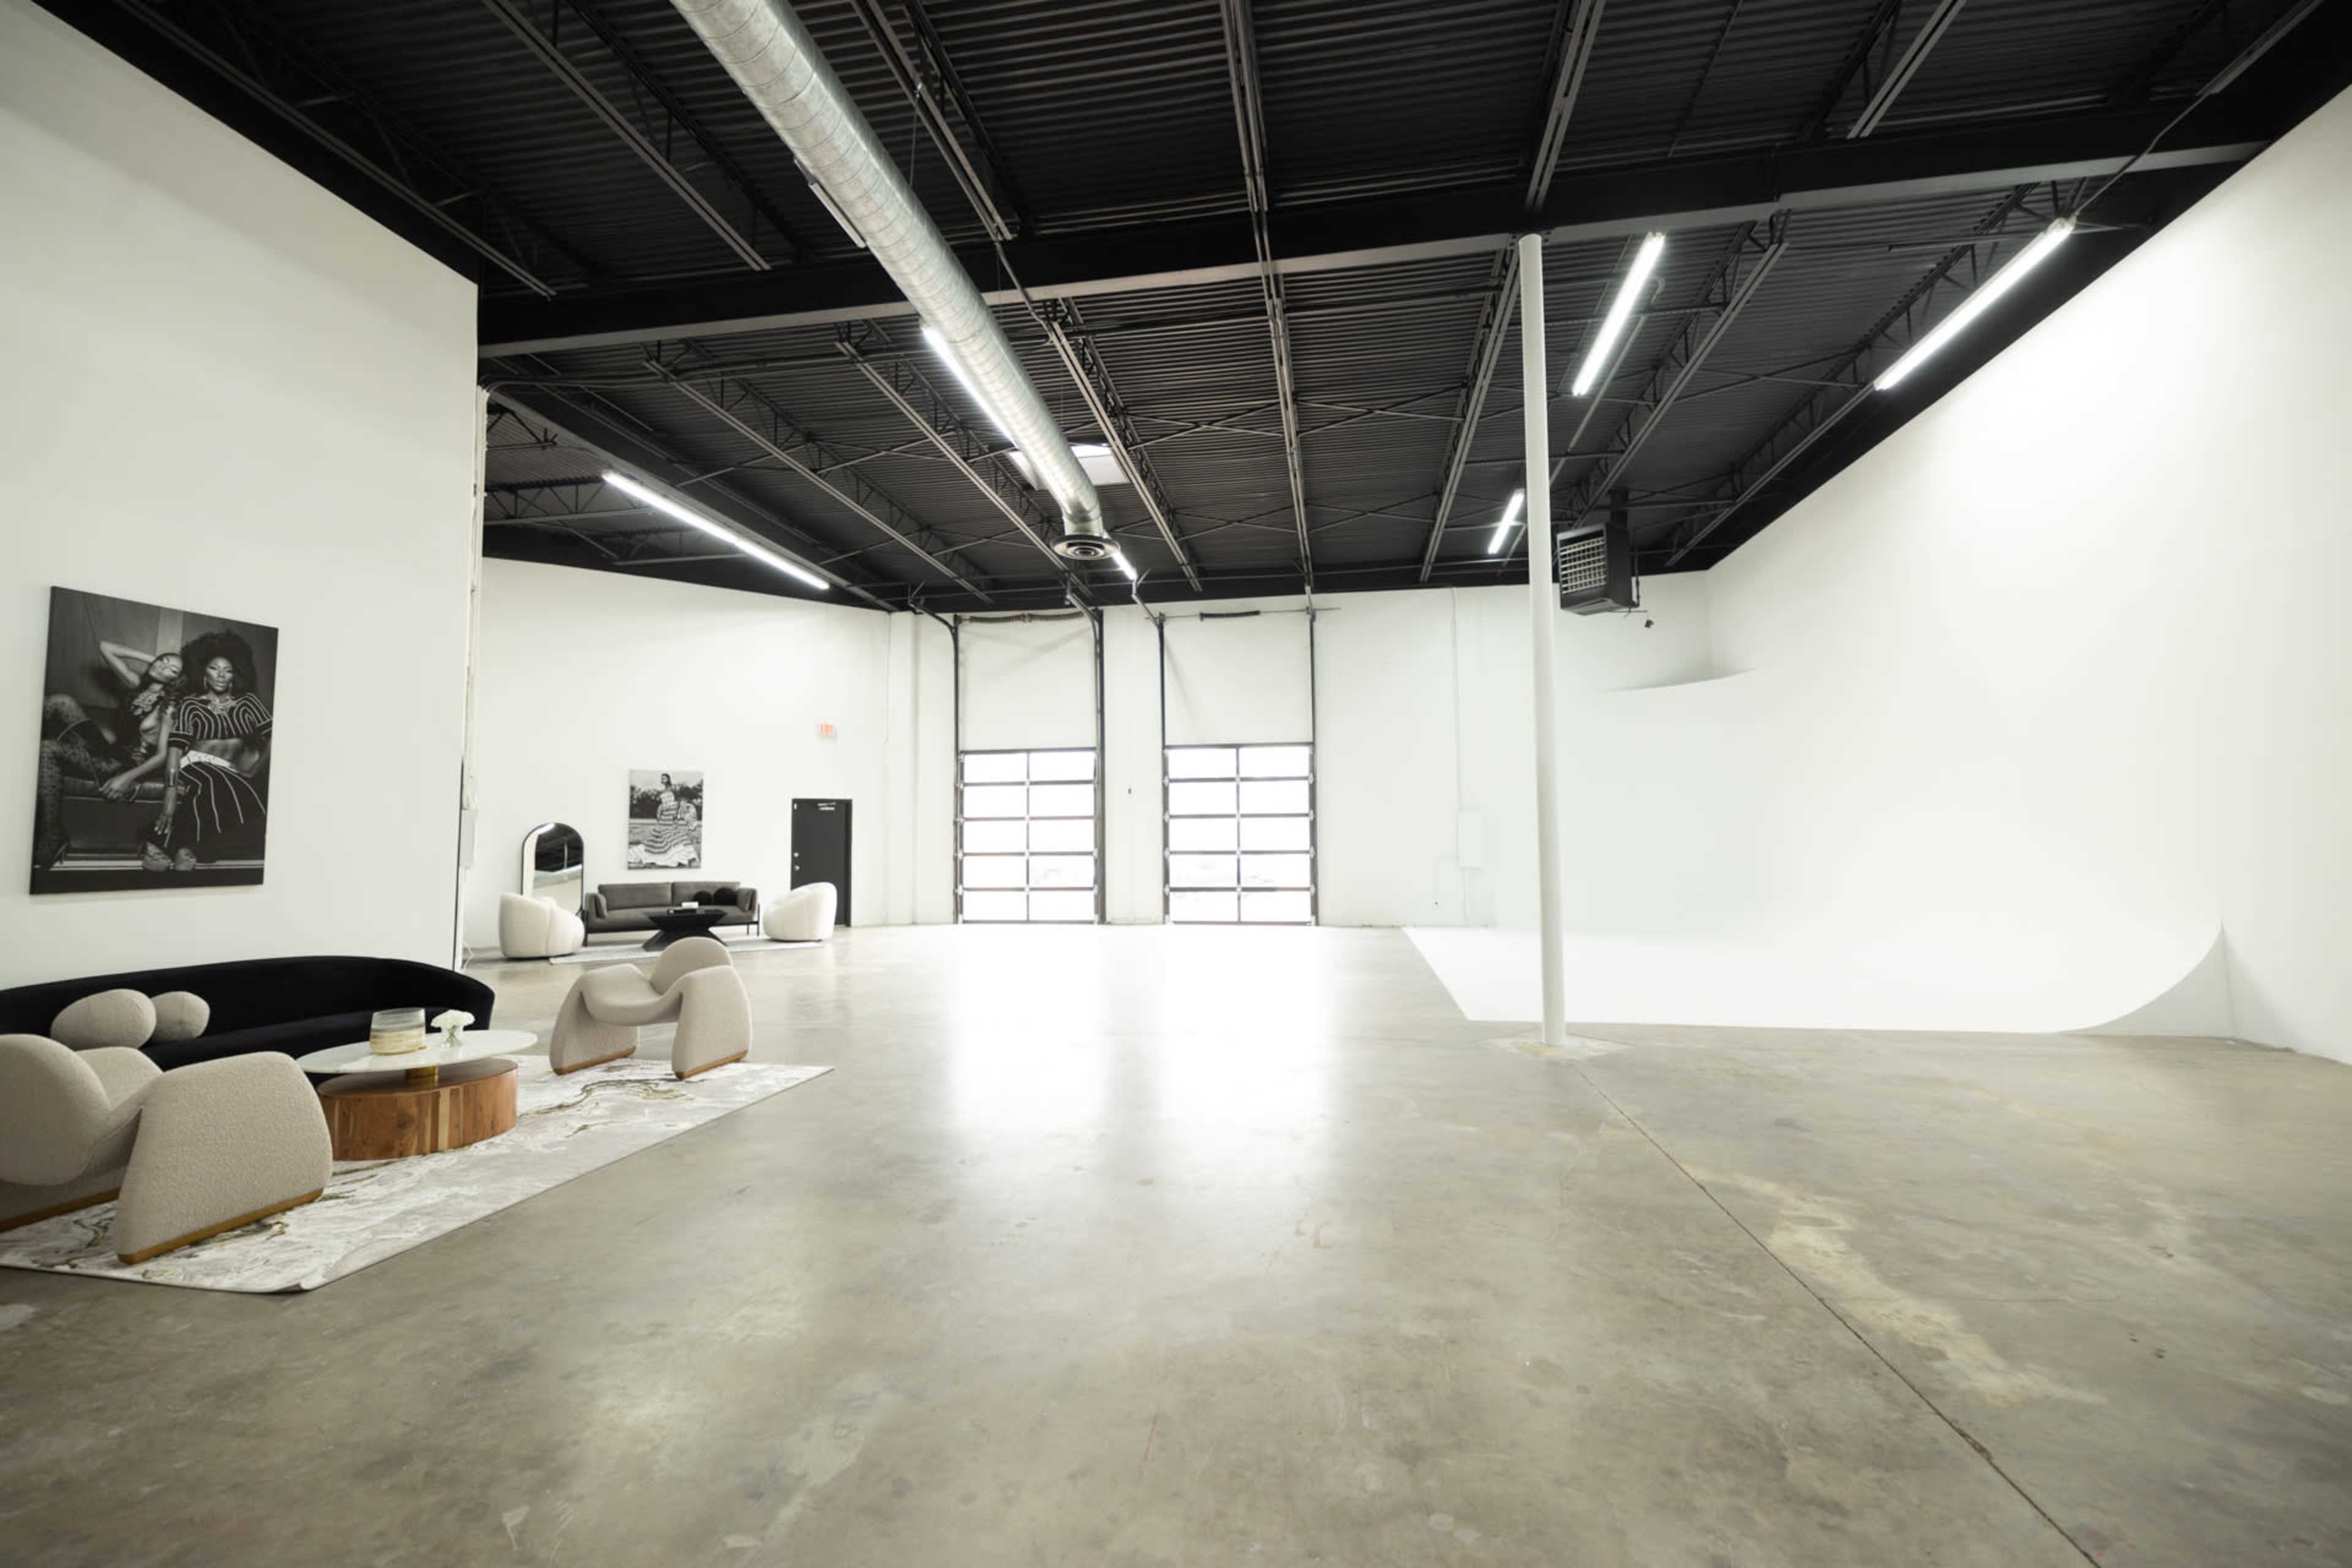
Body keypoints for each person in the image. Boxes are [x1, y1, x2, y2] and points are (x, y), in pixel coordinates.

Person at [32, 643, 186, 870]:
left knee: (47, 748)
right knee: (61, 701)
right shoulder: (137, 685)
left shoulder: (169, 708)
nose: (164, 668)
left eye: (172, 670)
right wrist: (155, 661)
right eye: (163, 661)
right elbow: (105, 647)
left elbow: (163, 755)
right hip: (108, 749)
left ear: (176, 681)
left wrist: (127, 778)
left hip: (121, 765)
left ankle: (52, 833)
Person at [127, 633, 271, 873]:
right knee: (217, 783)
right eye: (214, 668)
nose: (221, 675)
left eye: (228, 670)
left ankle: (160, 841)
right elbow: (174, 750)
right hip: (194, 763)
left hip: (227, 769)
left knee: (247, 793)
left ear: (236, 674)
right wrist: (170, 799)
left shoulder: (248, 702)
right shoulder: (192, 704)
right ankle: (188, 848)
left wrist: (255, 770)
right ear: (204, 673)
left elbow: (276, 734)